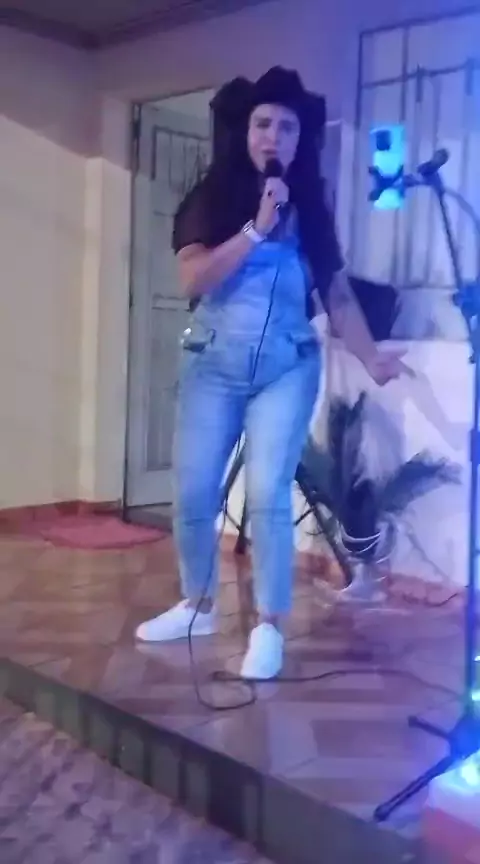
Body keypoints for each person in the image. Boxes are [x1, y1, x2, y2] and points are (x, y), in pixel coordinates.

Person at [135, 67, 405, 679]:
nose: (273, 136)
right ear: (245, 131)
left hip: (286, 366)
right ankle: (197, 605)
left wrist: (370, 356)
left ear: (299, 139)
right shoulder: (211, 197)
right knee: (194, 490)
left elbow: (337, 294)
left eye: (287, 127)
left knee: (266, 493)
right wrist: (256, 228)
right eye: (263, 124)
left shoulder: (311, 209)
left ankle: (269, 626)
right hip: (212, 363)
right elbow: (193, 279)